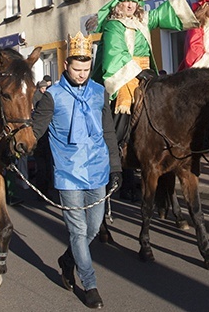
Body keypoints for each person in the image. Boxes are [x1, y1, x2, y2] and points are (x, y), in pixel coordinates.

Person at [32, 32, 122, 309]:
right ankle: (90, 284)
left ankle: (67, 260)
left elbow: (108, 132)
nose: (82, 74)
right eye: (76, 69)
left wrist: (116, 167)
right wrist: (16, 147)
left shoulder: (99, 92)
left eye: (86, 69)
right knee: (78, 232)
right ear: (66, 65)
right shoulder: (52, 97)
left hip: (97, 170)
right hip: (68, 174)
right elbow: (35, 131)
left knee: (94, 228)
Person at [90, 0, 198, 201]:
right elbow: (115, 54)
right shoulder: (113, 26)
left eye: (134, 3)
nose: (131, 6)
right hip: (124, 76)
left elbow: (161, 14)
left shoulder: (141, 22)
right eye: (127, 2)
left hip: (146, 73)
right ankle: (115, 148)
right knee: (125, 105)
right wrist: (136, 72)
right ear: (119, 4)